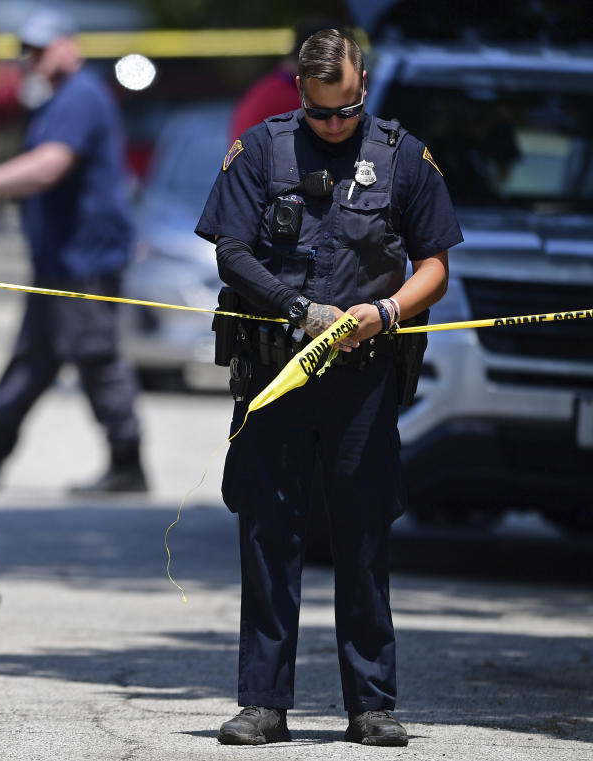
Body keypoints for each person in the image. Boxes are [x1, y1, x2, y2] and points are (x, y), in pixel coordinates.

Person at [196, 29, 462, 746]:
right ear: (301, 97)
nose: (334, 125)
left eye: (344, 110)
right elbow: (231, 252)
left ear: (364, 86)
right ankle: (263, 703)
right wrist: (296, 307)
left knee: (364, 534)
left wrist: (387, 311)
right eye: (320, 113)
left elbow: (434, 262)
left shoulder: (404, 156)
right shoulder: (262, 148)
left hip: (364, 379)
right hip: (278, 370)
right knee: (268, 534)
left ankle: (371, 703)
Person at [0, 8, 146, 495]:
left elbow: (50, 166)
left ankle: (127, 463)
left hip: (84, 260)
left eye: (44, 47)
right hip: (60, 259)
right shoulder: (57, 99)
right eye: (30, 49)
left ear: (71, 45)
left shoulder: (80, 96)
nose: (35, 57)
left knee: (95, 357)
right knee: (35, 357)